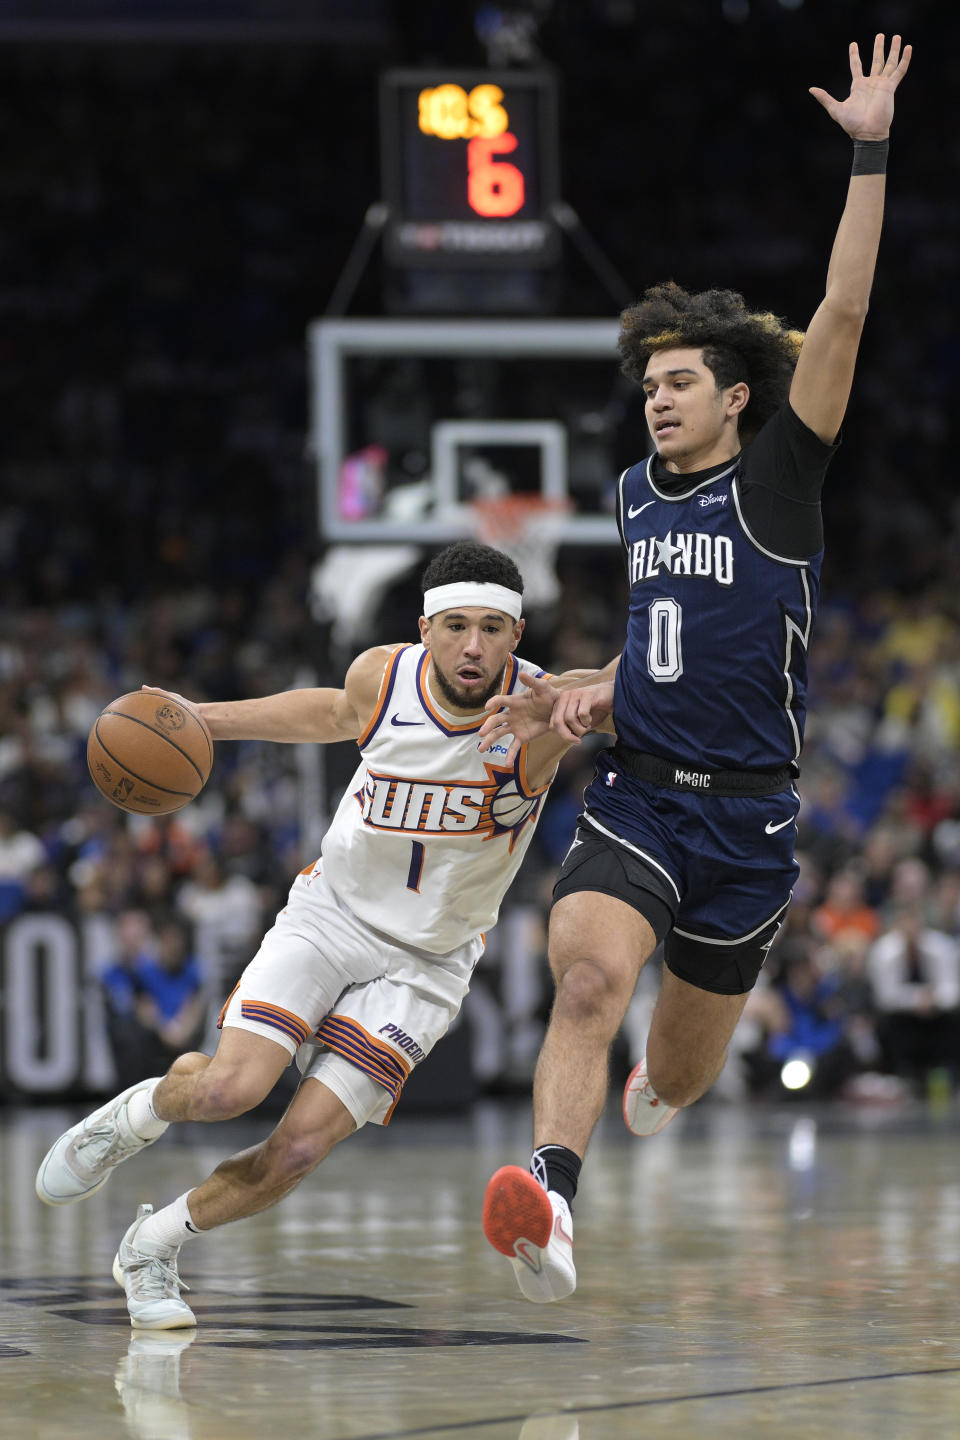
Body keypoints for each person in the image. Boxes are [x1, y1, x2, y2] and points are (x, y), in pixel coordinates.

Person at [476, 35, 912, 1303]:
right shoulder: (631, 495)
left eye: (680, 385)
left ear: (736, 400)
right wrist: (591, 685)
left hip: (753, 821)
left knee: (677, 1072)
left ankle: (651, 1095)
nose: (657, 402)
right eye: (650, 386)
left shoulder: (780, 477)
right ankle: (549, 1201)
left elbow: (842, 313)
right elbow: (664, 633)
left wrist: (869, 150)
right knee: (586, 978)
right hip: (642, 793)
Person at [36, 541, 592, 1329]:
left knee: (297, 1149)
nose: (475, 646)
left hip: (428, 961)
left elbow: (636, 689)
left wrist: (599, 692)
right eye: (458, 625)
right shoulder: (383, 676)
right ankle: (134, 1118)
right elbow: (330, 713)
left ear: (518, 633)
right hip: (330, 915)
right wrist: (200, 720)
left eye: (495, 629)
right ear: (425, 628)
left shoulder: (543, 711)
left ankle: (150, 1247)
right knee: (230, 1089)